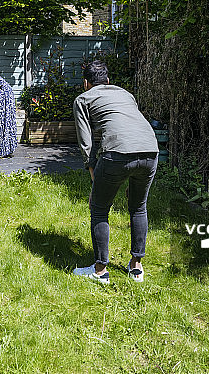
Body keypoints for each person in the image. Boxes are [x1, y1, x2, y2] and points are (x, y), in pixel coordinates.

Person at [71, 60, 158, 285]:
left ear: (85, 83)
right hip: (150, 149)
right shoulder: (127, 94)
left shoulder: (83, 99)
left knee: (99, 209)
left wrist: (93, 173)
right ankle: (136, 267)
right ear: (108, 81)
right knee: (139, 207)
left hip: (117, 153)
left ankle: (100, 272)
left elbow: (85, 138)